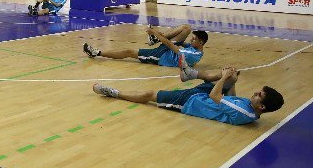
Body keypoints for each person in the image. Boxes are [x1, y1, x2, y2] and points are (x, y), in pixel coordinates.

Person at [92, 65, 284, 125]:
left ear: (262, 107)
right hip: (202, 95)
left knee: (151, 94)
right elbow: (230, 98)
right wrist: (232, 81)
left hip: (191, 102)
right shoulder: (249, 108)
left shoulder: (245, 113)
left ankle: (116, 94)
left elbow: (216, 97)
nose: (255, 92)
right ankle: (189, 74)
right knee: (228, 76)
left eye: (259, 94)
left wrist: (225, 77)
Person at [83, 23, 207, 68]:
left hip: (162, 56)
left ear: (201, 42)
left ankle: (97, 52)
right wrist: (161, 35)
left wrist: (156, 33)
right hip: (168, 50)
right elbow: (183, 44)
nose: (191, 40)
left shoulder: (193, 54)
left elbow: (170, 45)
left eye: (194, 39)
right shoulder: (195, 49)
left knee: (129, 52)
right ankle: (154, 38)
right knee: (186, 28)